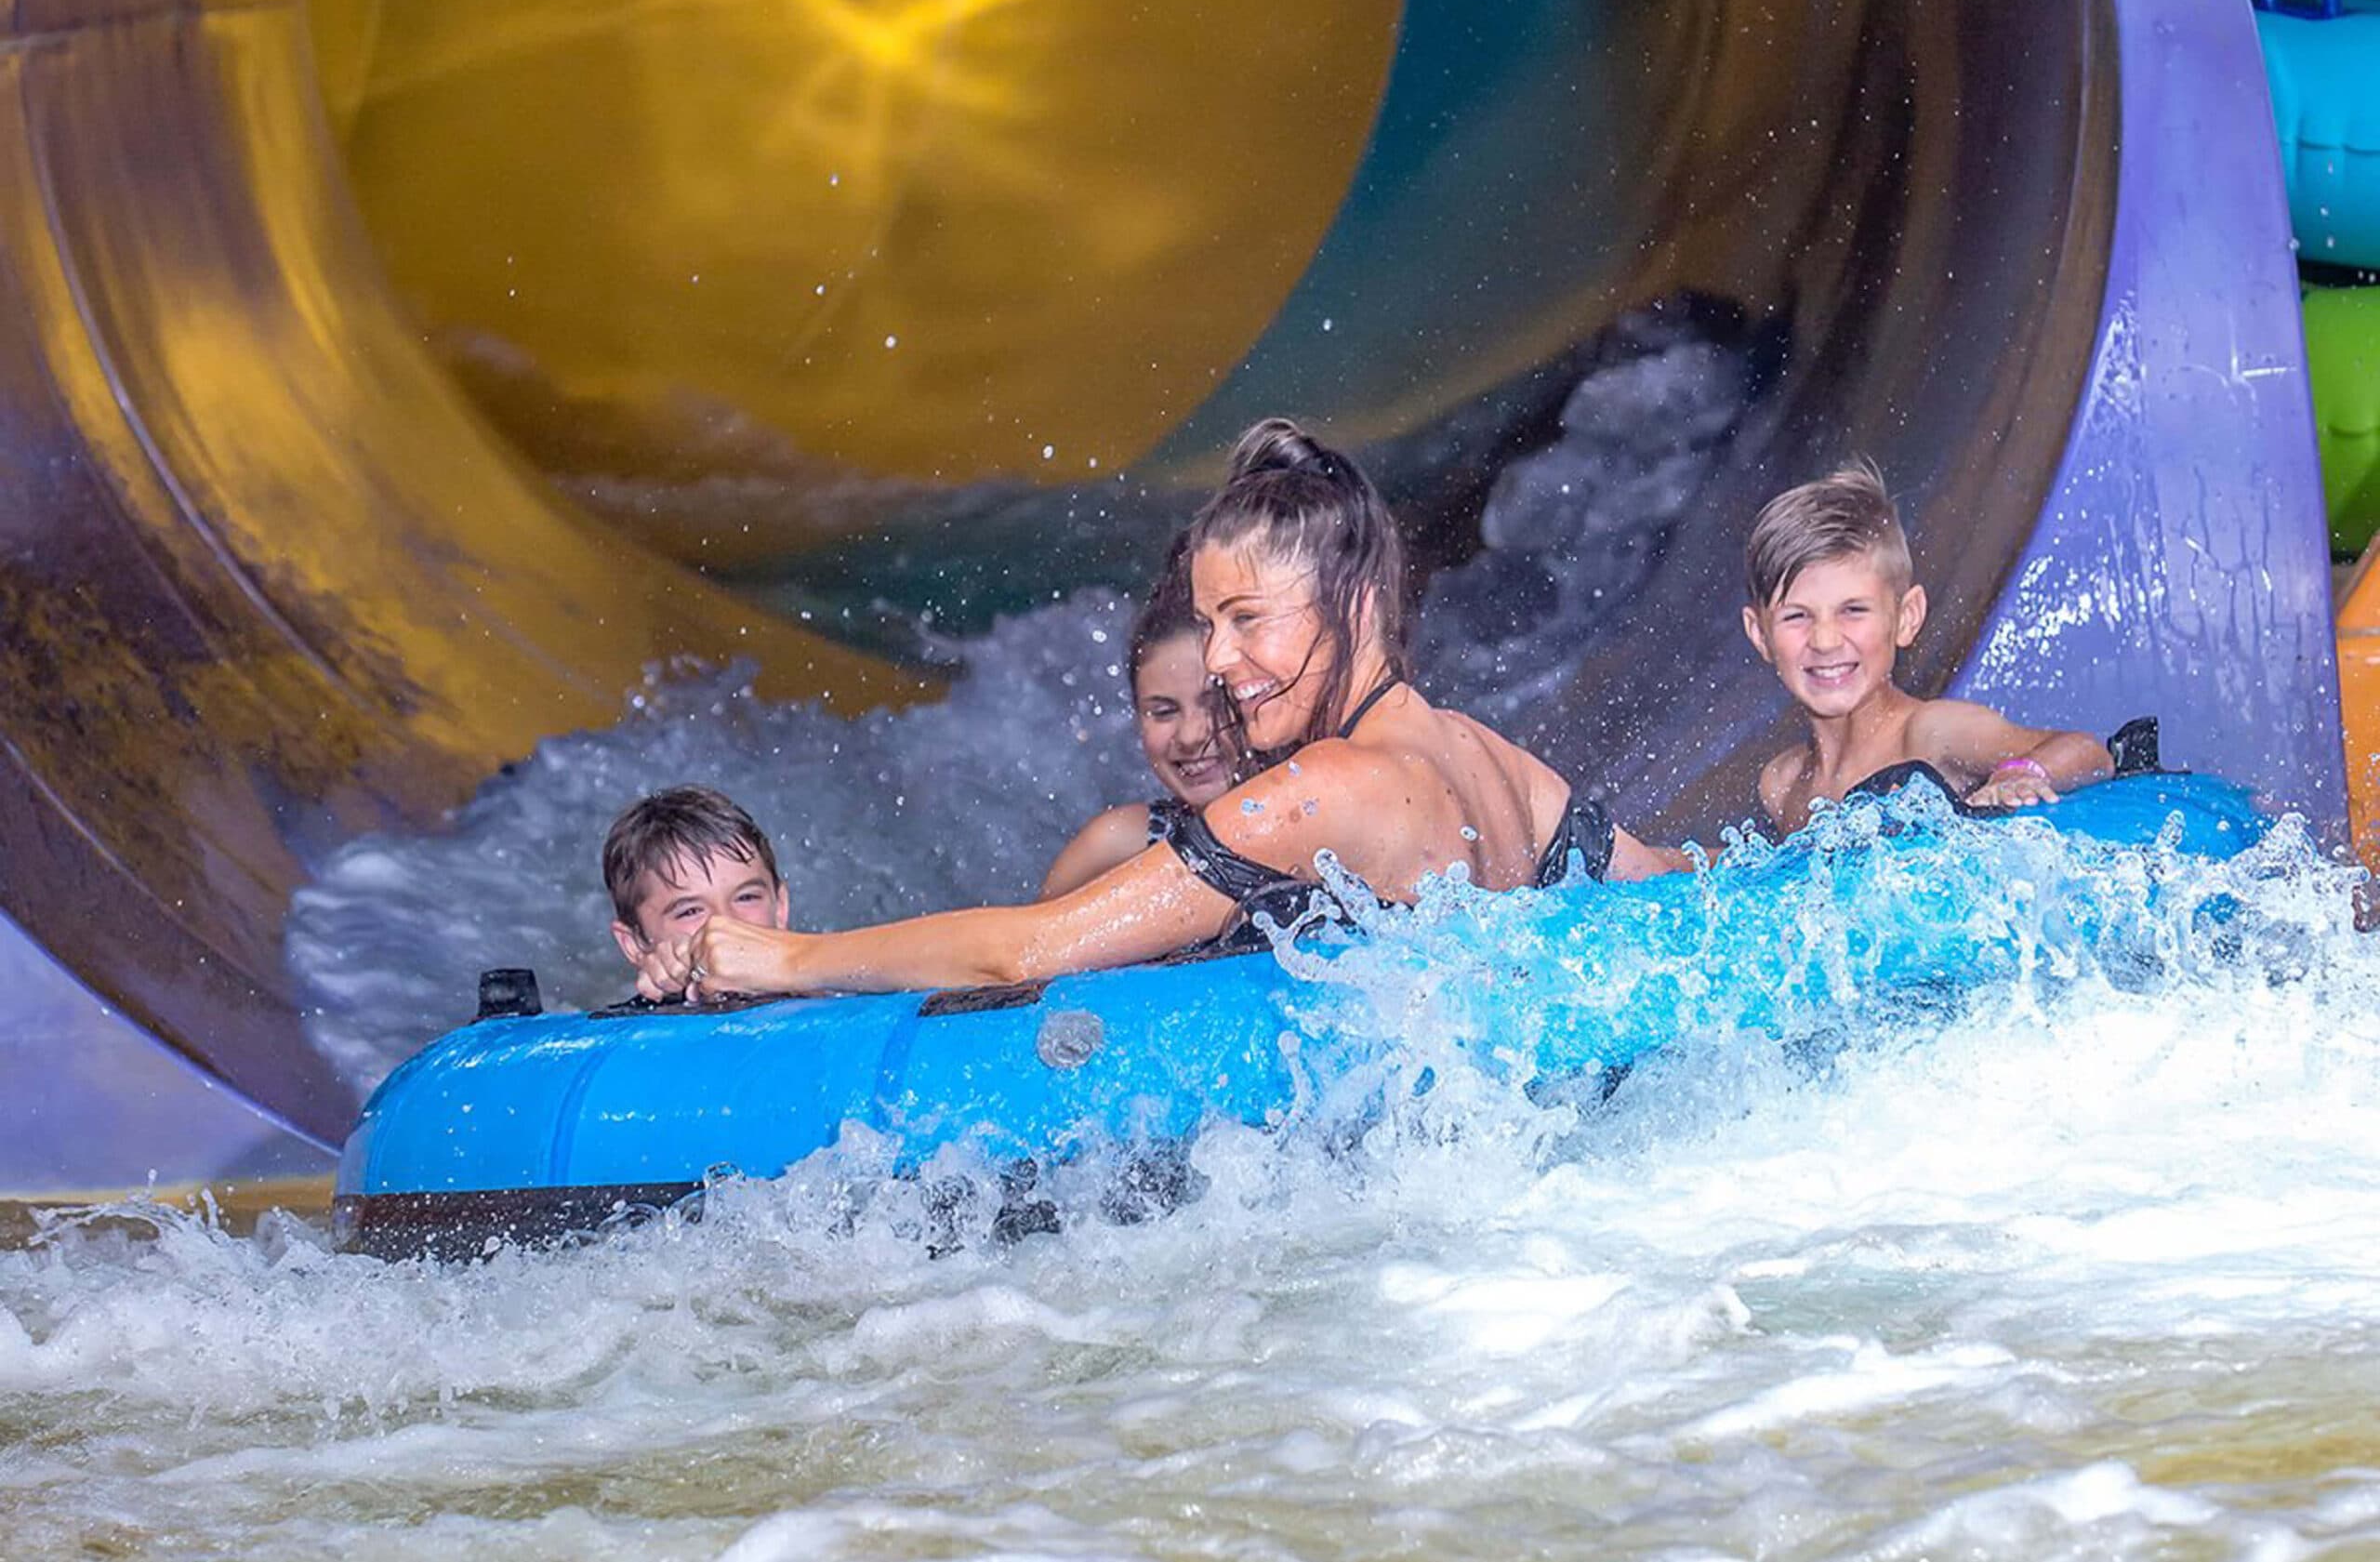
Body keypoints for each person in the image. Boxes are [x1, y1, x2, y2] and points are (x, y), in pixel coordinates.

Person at [632, 417, 1686, 1003]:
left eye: (1247, 620)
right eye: (1206, 623)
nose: (1221, 661)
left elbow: (1031, 952)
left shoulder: (1324, 789)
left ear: (1359, 603)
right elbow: (1682, 892)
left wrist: (789, 957)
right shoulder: (1490, 757)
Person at [1740, 460, 2113, 835]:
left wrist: (2018, 774)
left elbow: (2088, 751)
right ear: (1760, 634)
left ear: (1906, 617)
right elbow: (1784, 868)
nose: (1825, 640)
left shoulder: (1930, 733)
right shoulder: (1783, 782)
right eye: (1796, 617)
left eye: (1853, 610)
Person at [1038, 566, 1236, 900]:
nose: (1190, 735)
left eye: (1214, 703)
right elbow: (1025, 947)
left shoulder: (1323, 816)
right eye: (1163, 712)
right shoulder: (1113, 849)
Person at [603, 786, 789, 975]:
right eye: (690, 912)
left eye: (746, 898)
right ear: (634, 944)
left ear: (780, 907)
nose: (728, 927)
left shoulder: (818, 988)